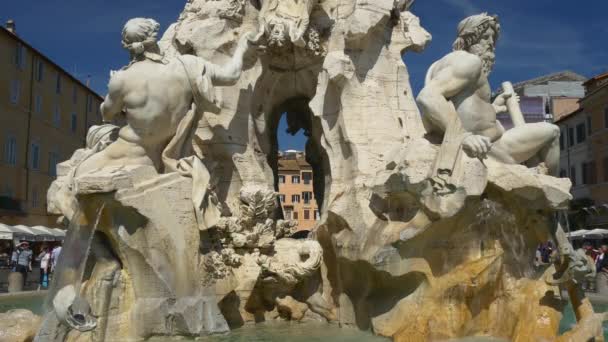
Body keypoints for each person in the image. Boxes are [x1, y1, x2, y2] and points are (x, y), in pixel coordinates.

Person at [417, 13, 560, 176]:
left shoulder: (447, 63)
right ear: (470, 38)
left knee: (542, 141)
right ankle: (550, 186)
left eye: (493, 38)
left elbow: (462, 106)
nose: (491, 43)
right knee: (552, 131)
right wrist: (463, 137)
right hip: (491, 147)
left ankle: (541, 182)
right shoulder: (469, 62)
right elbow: (428, 97)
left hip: (489, 143)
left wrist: (493, 108)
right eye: (486, 37)